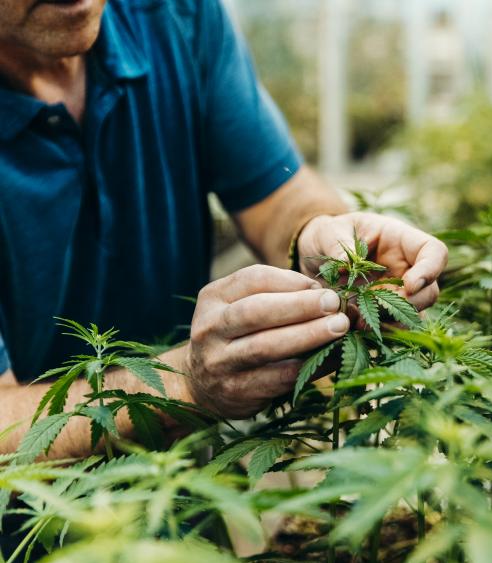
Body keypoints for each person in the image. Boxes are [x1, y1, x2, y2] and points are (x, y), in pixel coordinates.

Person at [0, 0, 447, 458]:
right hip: (35, 520)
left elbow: (277, 197)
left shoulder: (172, 15)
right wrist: (187, 385)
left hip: (182, 491)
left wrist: (318, 233)